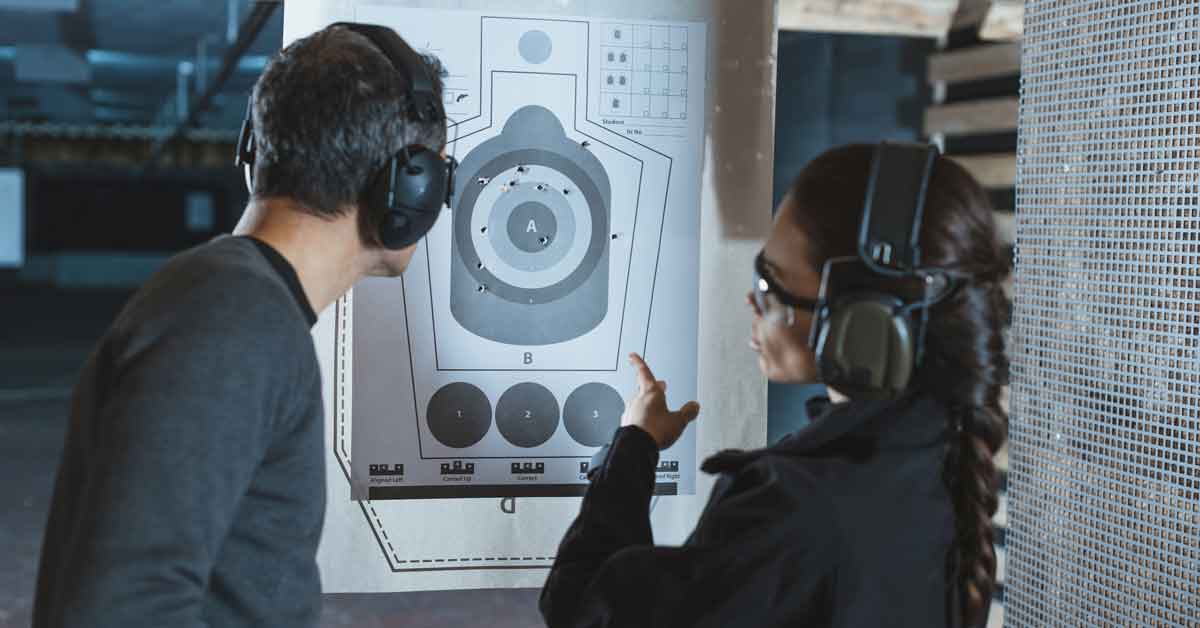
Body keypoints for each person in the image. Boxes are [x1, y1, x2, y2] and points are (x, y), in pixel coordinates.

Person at [32, 23, 451, 628]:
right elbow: (124, 606)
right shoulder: (232, 319)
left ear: (255, 151)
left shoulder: (237, 305)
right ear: (413, 187)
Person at [540, 144, 1009, 627]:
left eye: (770, 282)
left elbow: (580, 608)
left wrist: (633, 447)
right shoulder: (941, 455)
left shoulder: (797, 513)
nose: (752, 299)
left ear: (864, 321)